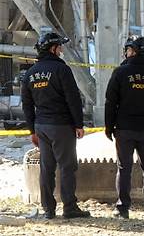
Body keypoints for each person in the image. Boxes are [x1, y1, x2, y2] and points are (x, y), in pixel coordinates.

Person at [21, 32, 91, 220]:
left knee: (47, 168)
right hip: (61, 126)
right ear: (53, 49)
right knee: (67, 167)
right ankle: (69, 207)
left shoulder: (30, 73)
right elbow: (73, 99)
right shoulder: (62, 70)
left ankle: (48, 210)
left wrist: (32, 130)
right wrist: (79, 124)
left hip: (41, 127)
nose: (61, 50)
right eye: (59, 46)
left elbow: (26, 105)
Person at [104, 36, 144, 219]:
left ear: (133, 50)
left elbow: (110, 103)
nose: (126, 52)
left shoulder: (120, 73)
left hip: (124, 129)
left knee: (124, 168)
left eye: (128, 49)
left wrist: (109, 127)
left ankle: (122, 208)